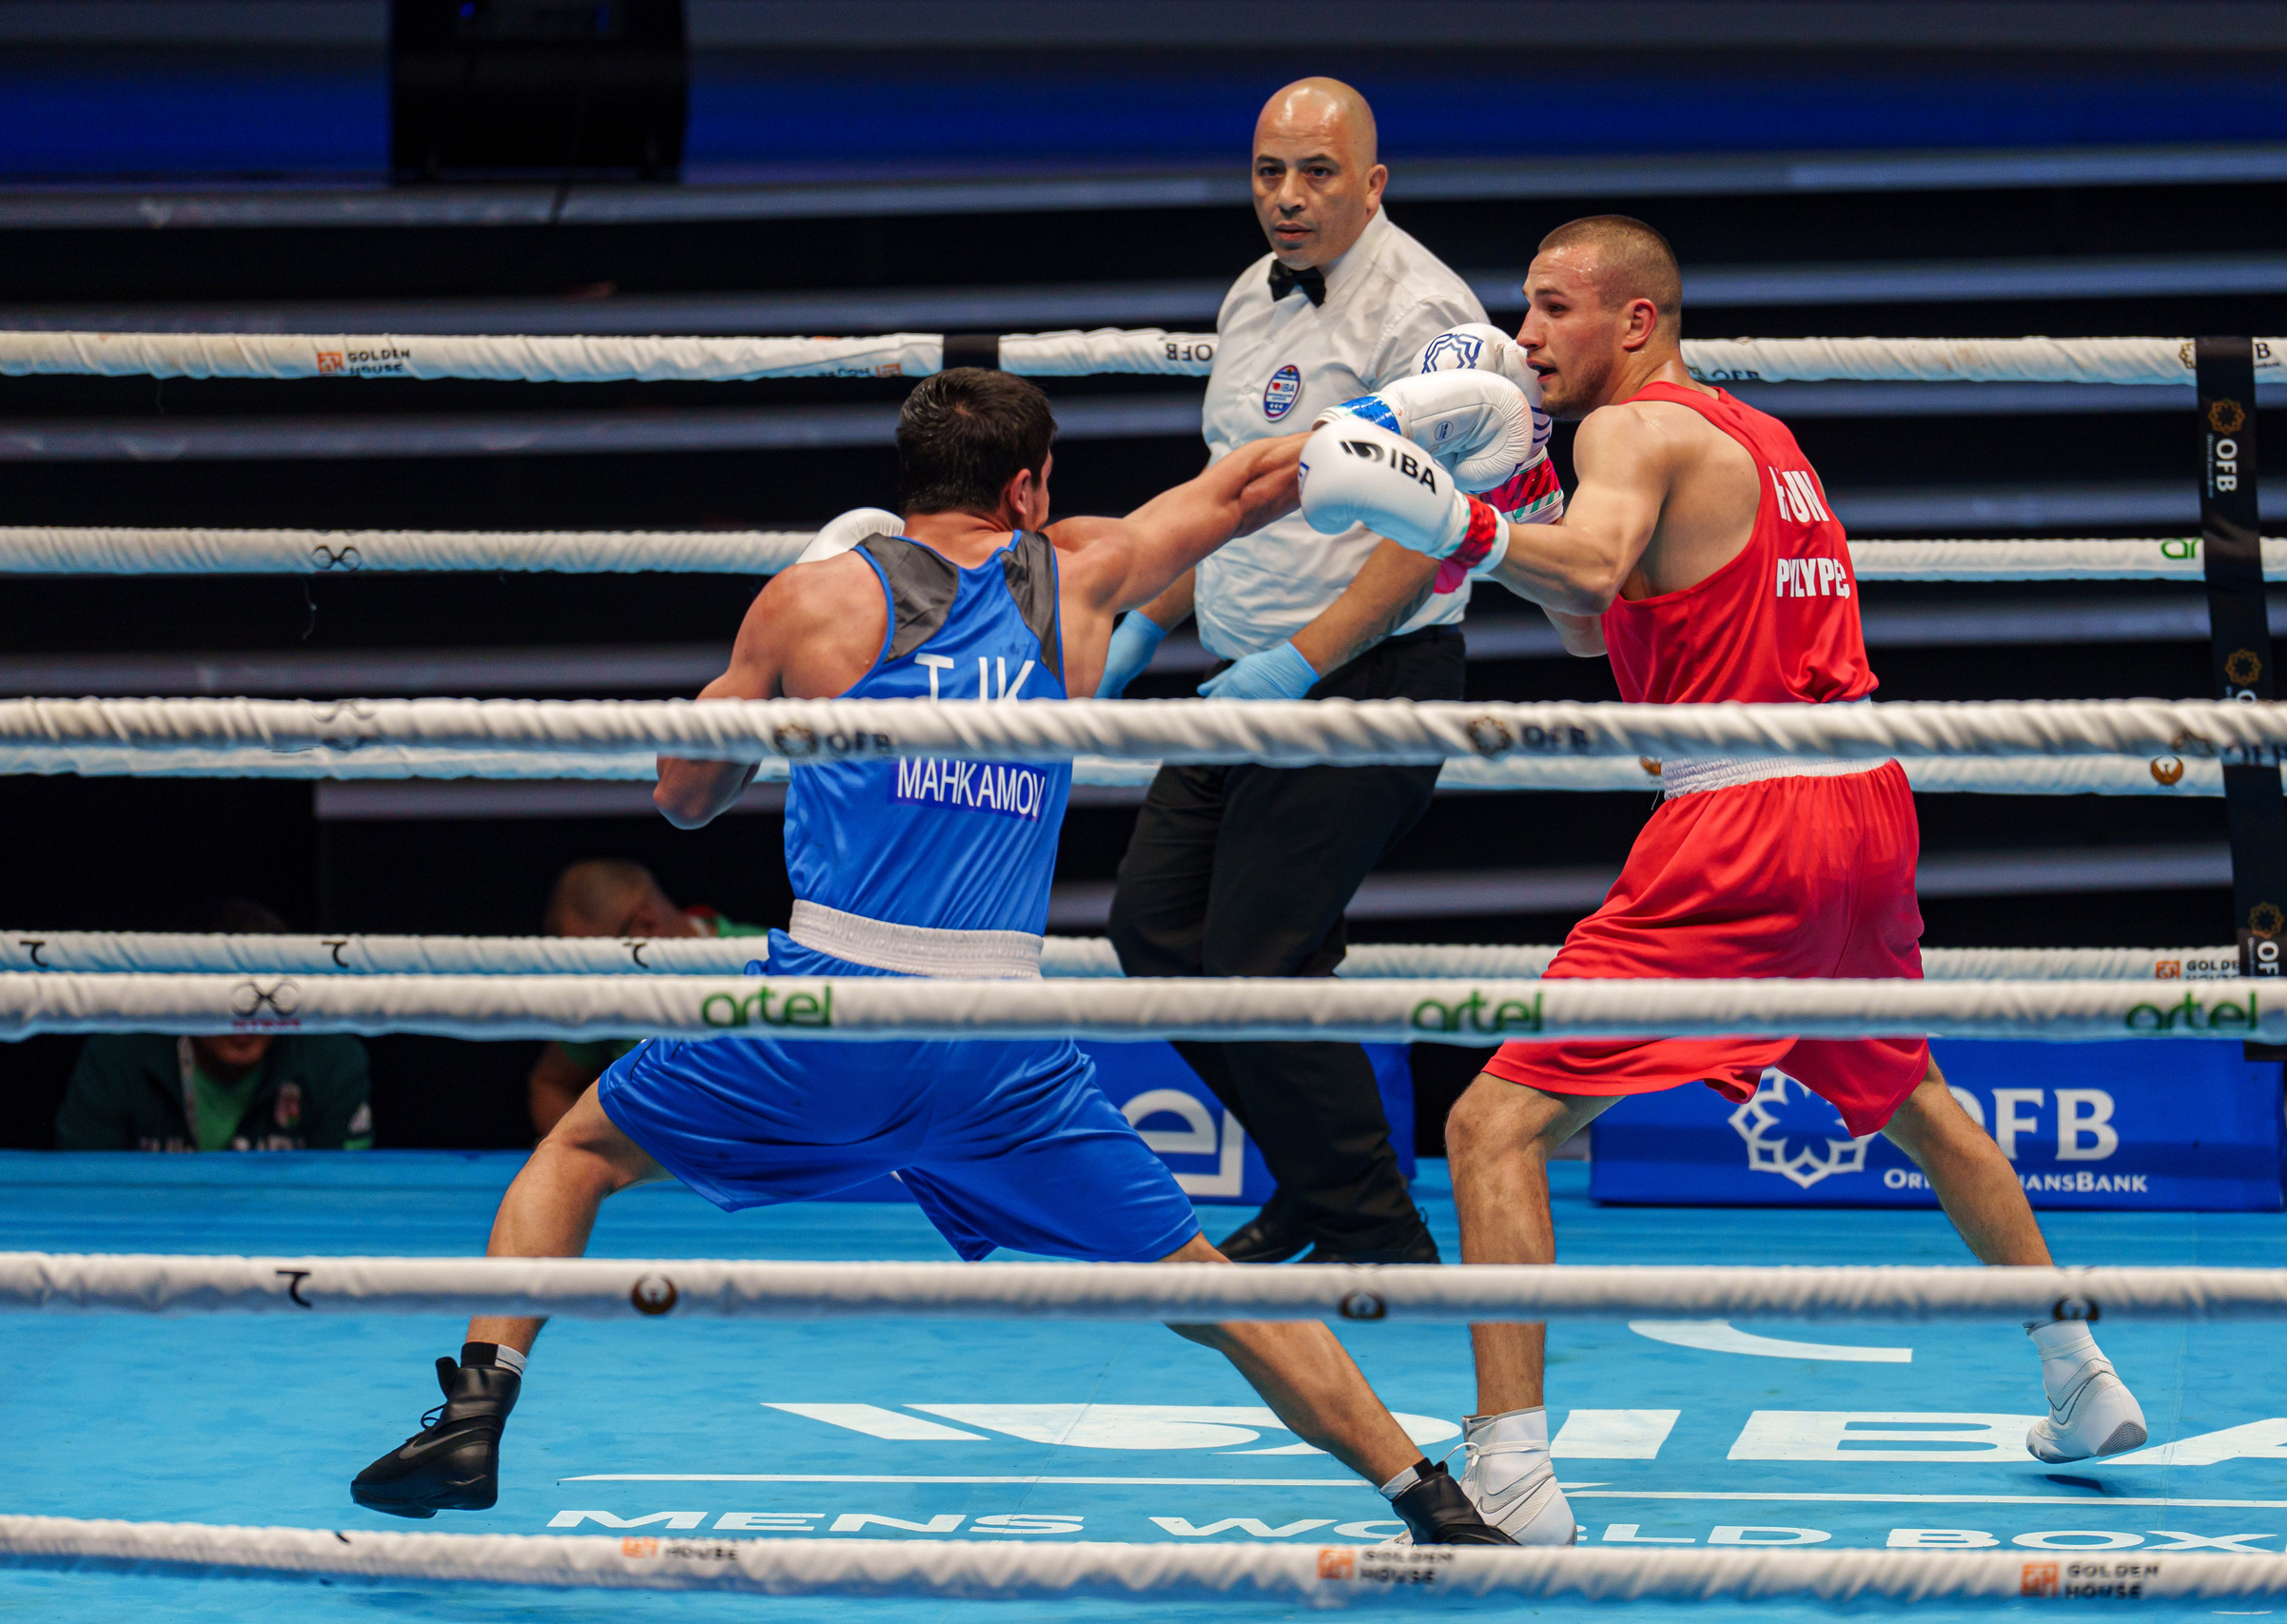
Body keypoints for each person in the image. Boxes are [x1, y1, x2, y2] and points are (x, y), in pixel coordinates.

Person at [349, 367, 1514, 1547]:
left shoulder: (809, 605)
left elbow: (683, 800)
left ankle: (474, 1412)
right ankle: (1429, 1497)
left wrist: (774, 662)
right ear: (1024, 489)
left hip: (828, 1017)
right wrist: (1397, 418)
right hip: (999, 1037)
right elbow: (1257, 481)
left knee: (579, 1152)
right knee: (1206, 1286)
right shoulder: (1082, 577)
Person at [1296, 215, 2151, 1546]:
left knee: (1490, 1127)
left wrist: (1451, 516)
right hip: (1860, 807)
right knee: (1910, 1091)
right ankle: (2079, 1374)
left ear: (1637, 321)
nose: (1525, 337)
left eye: (1553, 308)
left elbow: (1586, 568)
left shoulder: (1626, 432)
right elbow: (1595, 620)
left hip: (1743, 819)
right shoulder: (1761, 435)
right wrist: (1505, 512)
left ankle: (1513, 1471)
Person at [1100, 77, 1497, 1268]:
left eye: (1316, 172)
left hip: (1368, 677)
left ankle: (1372, 1234)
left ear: (1373, 183)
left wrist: (1297, 662)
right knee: (1155, 932)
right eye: (1269, 170)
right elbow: (1235, 497)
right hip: (1243, 674)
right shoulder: (1248, 295)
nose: (1286, 196)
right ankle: (1324, 1189)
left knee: (1259, 959)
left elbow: (1426, 531)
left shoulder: (1429, 317)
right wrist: (1140, 621)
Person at [54, 898, 373, 1152]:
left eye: (262, 995)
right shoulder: (119, 1054)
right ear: (182, 994)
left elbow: (345, 1199)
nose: (246, 1017)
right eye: (225, 995)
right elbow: (82, 1190)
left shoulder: (331, 1059)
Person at [524, 858, 761, 1136]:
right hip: (657, 1172)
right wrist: (579, 1152)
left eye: (599, 963)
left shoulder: (768, 961)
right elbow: (550, 1084)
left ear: (646, 924)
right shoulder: (605, 997)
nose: (592, 982)